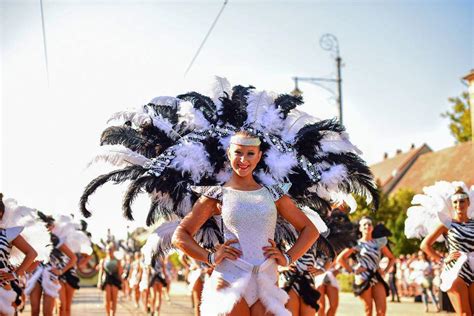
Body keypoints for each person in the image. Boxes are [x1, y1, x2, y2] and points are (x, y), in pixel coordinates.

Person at [172, 131, 320, 316]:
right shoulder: (216, 196)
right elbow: (180, 235)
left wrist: (288, 258)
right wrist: (210, 257)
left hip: (267, 281)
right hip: (229, 279)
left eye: (250, 153)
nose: (243, 159)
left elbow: (310, 230)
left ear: (259, 156)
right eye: (238, 152)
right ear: (229, 153)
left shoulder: (274, 195)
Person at [420, 186, 474, 315]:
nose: (458, 204)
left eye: (462, 201)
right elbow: (425, 245)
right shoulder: (447, 224)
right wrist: (442, 259)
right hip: (456, 270)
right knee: (465, 314)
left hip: (473, 268)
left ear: (468, 203)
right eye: (455, 202)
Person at [337, 217, 395, 316]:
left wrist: (385, 271)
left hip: (376, 275)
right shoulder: (357, 244)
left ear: (372, 227)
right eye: (364, 224)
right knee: (368, 310)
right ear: (360, 228)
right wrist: (353, 270)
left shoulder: (379, 243)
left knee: (382, 311)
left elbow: (392, 258)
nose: (367, 226)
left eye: (369, 224)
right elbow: (340, 259)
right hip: (362, 277)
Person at [0, 193, 39, 316]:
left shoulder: (8, 234)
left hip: (2, 289)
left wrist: (15, 274)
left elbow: (32, 253)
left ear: (0, 214)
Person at [97, 243, 122, 316]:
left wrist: (122, 282)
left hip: (115, 280)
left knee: (114, 300)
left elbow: (120, 272)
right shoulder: (103, 260)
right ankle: (108, 314)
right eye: (108, 249)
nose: (109, 251)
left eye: (110, 249)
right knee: (107, 301)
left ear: (113, 250)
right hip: (107, 280)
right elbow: (101, 271)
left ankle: (113, 314)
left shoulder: (117, 261)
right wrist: (99, 282)